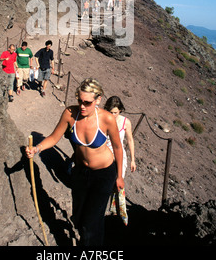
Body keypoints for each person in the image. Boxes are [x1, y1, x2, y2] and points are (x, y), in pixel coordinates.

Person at [25, 78, 124, 246]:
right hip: (80, 173)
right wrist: (37, 148)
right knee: (78, 216)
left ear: (98, 99)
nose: (83, 106)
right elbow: (54, 137)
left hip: (104, 174)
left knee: (91, 222)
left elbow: (117, 147)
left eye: (87, 102)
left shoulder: (107, 119)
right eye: (80, 100)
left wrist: (119, 176)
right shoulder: (71, 114)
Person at [104, 96, 136, 178]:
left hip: (119, 154)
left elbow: (130, 140)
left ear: (120, 110)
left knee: (119, 177)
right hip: (103, 153)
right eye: (111, 112)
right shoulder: (103, 119)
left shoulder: (125, 122)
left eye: (115, 112)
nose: (113, 115)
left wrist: (132, 160)